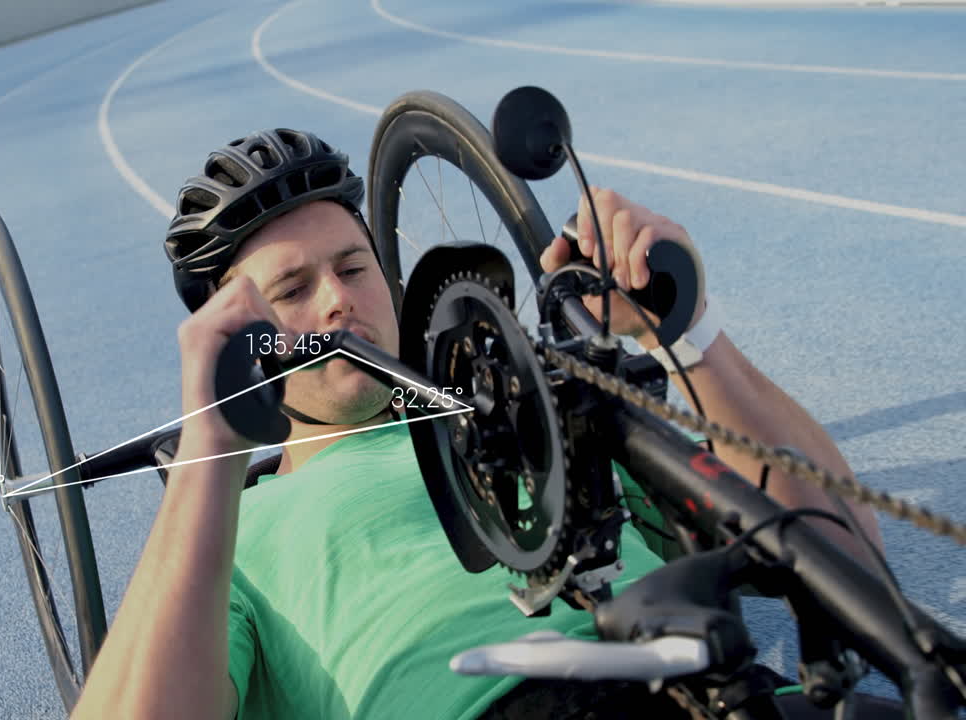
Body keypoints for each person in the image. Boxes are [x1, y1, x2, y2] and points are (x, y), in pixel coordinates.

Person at [71, 129, 889, 719]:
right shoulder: (234, 534)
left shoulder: (531, 415)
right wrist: (210, 451)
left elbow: (850, 558)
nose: (336, 301)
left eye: (354, 269)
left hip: (725, 685)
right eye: (290, 292)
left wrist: (687, 331)